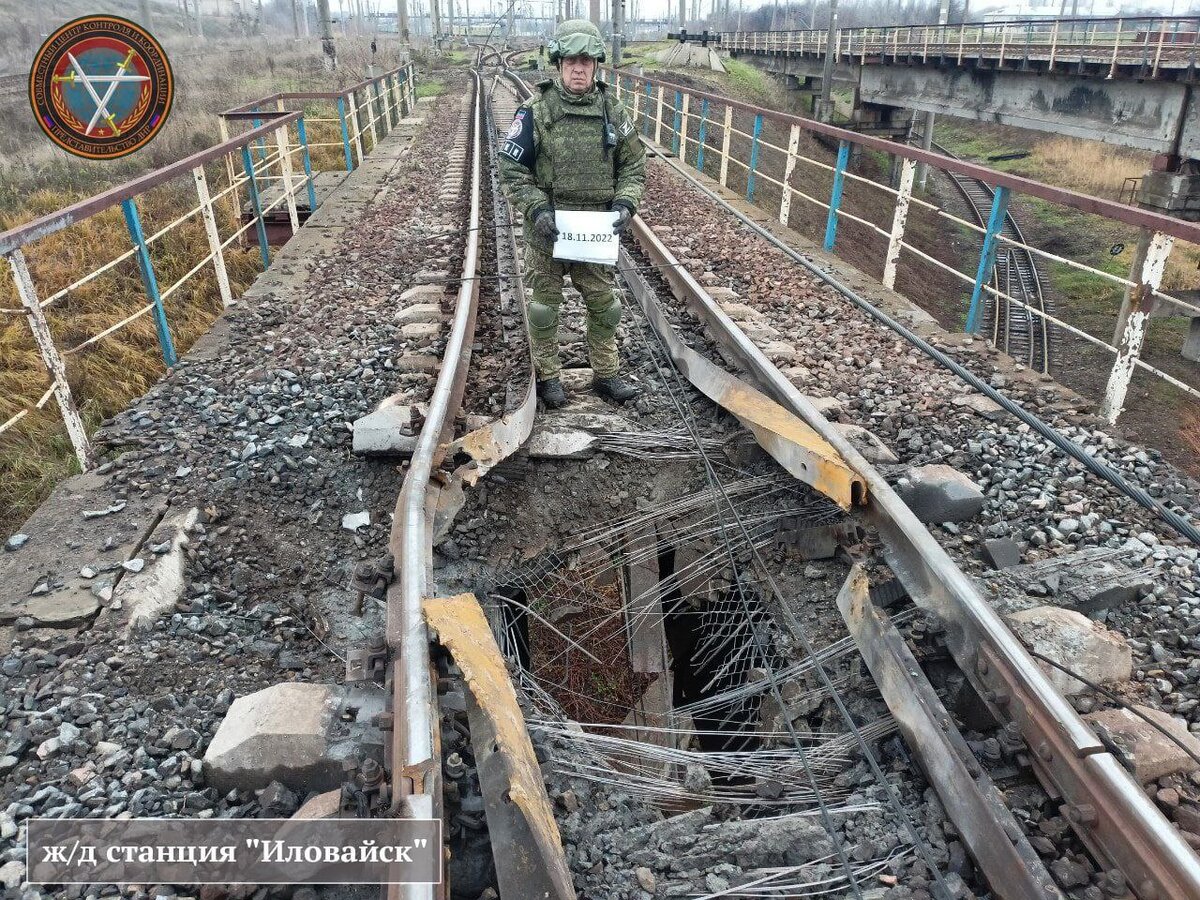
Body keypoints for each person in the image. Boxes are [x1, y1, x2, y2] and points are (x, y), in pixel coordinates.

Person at [497, 19, 646, 408]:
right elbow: (511, 169)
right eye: (571, 61)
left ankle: (606, 374)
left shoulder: (613, 111)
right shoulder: (534, 111)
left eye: (586, 61)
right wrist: (535, 208)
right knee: (545, 308)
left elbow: (634, 166)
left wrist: (625, 203)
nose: (579, 69)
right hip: (548, 231)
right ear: (558, 63)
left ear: (596, 65)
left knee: (605, 306)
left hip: (594, 232)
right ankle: (548, 377)